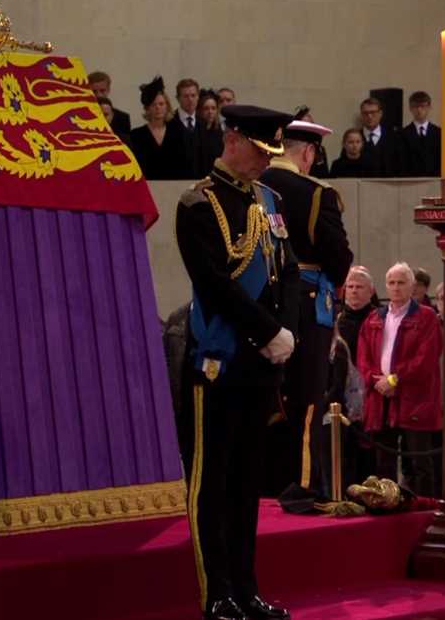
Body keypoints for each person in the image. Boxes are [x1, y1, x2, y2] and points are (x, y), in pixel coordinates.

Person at [175, 104, 297, 620]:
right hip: (217, 364)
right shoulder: (198, 204)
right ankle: (218, 593)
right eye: (261, 151)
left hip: (259, 367)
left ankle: (247, 589)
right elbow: (214, 284)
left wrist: (285, 334)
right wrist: (268, 332)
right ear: (232, 140)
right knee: (213, 484)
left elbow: (287, 274)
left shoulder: (269, 200)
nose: (266, 163)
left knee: (248, 485)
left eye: (273, 153)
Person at [259, 120, 353, 496]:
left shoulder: (252, 187)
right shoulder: (316, 193)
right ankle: (302, 487)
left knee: (267, 399)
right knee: (307, 401)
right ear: (309, 153)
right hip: (306, 309)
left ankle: (264, 486)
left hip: (259, 307)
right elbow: (339, 259)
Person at [356, 263, 443, 496]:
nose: (395, 287)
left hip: (415, 399)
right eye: (391, 283)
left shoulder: (426, 317)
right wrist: (375, 381)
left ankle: (425, 513)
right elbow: (363, 356)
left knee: (418, 463)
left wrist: (394, 380)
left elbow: (426, 358)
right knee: (384, 462)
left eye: (401, 282)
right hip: (381, 398)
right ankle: (389, 508)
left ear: (412, 286)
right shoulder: (375, 318)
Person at [127, 76, 188, 180]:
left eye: (161, 104)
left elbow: (185, 165)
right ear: (147, 108)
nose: (158, 108)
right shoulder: (136, 135)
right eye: (153, 104)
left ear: (167, 106)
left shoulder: (179, 132)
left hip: (174, 186)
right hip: (147, 187)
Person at [338, 266, 377, 365]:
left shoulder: (380, 318)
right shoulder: (336, 320)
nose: (354, 291)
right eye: (350, 287)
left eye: (359, 287)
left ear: (371, 291)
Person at [358, 97, 404, 177]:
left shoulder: (393, 137)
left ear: (380, 114)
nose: (369, 116)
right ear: (361, 115)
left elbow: (400, 165)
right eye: (365, 113)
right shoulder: (354, 138)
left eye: (373, 112)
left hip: (388, 185)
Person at [401, 91, 440, 177]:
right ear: (410, 108)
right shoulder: (402, 134)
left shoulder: (439, 133)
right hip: (410, 181)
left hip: (434, 181)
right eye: (415, 106)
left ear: (429, 107)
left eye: (423, 106)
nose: (419, 110)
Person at [171, 78, 204, 177]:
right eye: (185, 96)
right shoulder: (168, 123)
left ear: (198, 97)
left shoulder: (204, 124)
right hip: (175, 182)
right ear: (178, 98)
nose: (190, 99)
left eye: (193, 95)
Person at [88, 70, 132, 136]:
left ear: (108, 90)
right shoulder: (80, 117)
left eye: (102, 91)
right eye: (94, 91)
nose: (98, 95)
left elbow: (126, 143)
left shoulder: (123, 118)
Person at [195, 89, 224, 173]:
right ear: (199, 111)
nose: (210, 112)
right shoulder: (195, 133)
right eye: (206, 109)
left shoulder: (219, 133)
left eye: (213, 108)